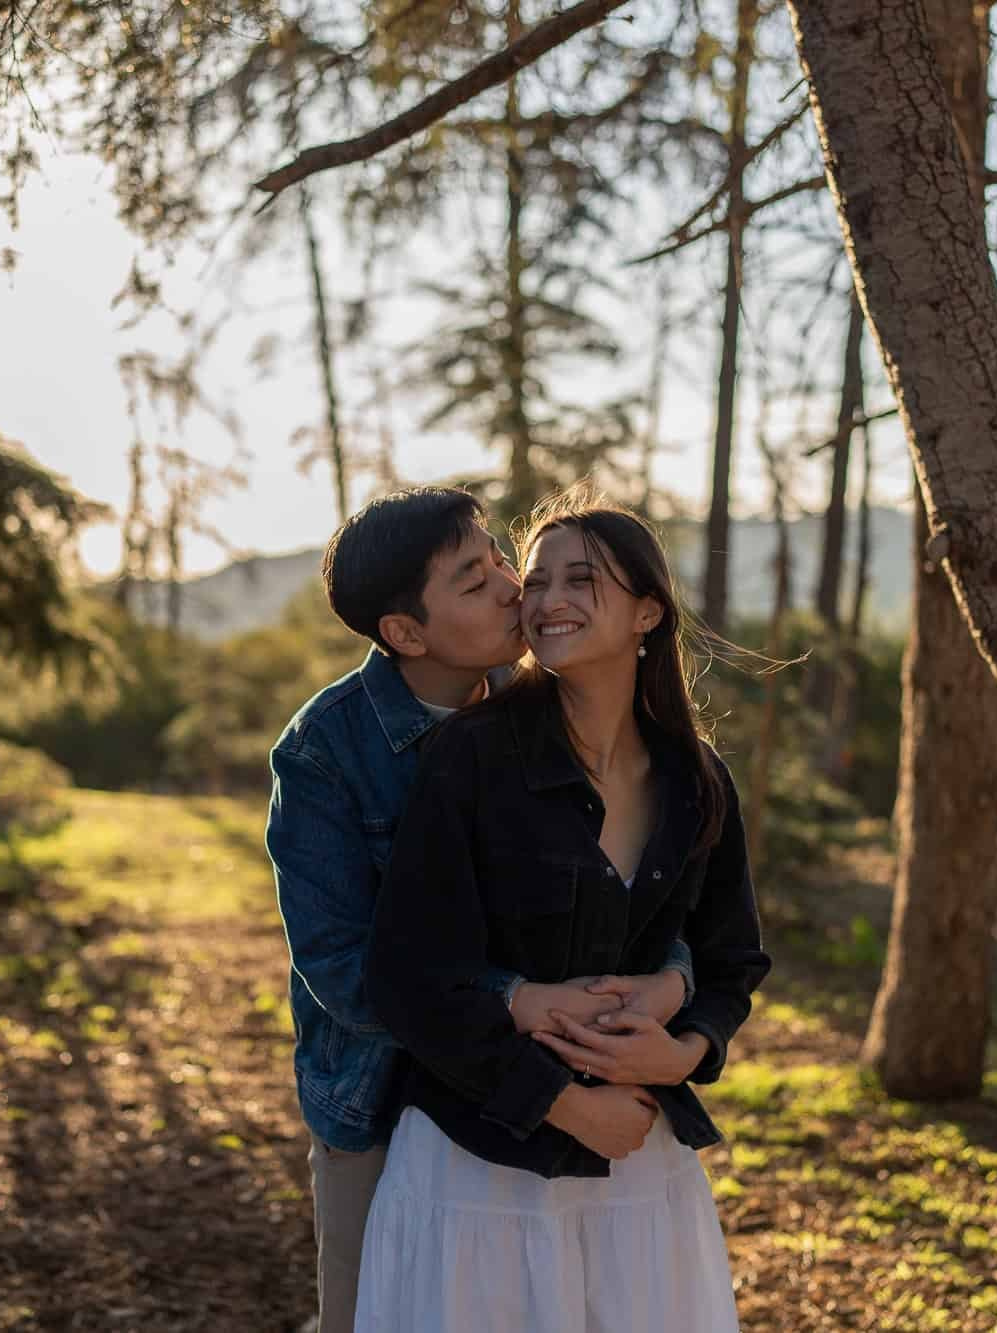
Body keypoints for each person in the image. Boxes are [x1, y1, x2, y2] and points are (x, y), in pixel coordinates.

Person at [266, 486, 698, 1333]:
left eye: (501, 558)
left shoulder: (546, 701)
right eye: (474, 580)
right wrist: (518, 999)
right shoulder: (325, 752)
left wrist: (666, 991)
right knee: (368, 1316)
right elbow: (348, 975)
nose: (514, 587)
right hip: (382, 1091)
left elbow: (641, 893)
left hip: (534, 1083)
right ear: (406, 632)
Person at [356, 484, 772, 1332]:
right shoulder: (470, 758)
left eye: (582, 580)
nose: (544, 600)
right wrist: (563, 1101)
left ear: (648, 611)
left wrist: (681, 1054)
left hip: (642, 1168)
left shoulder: (699, 782)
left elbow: (730, 962)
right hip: (479, 1169)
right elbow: (411, 978)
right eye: (536, 579)